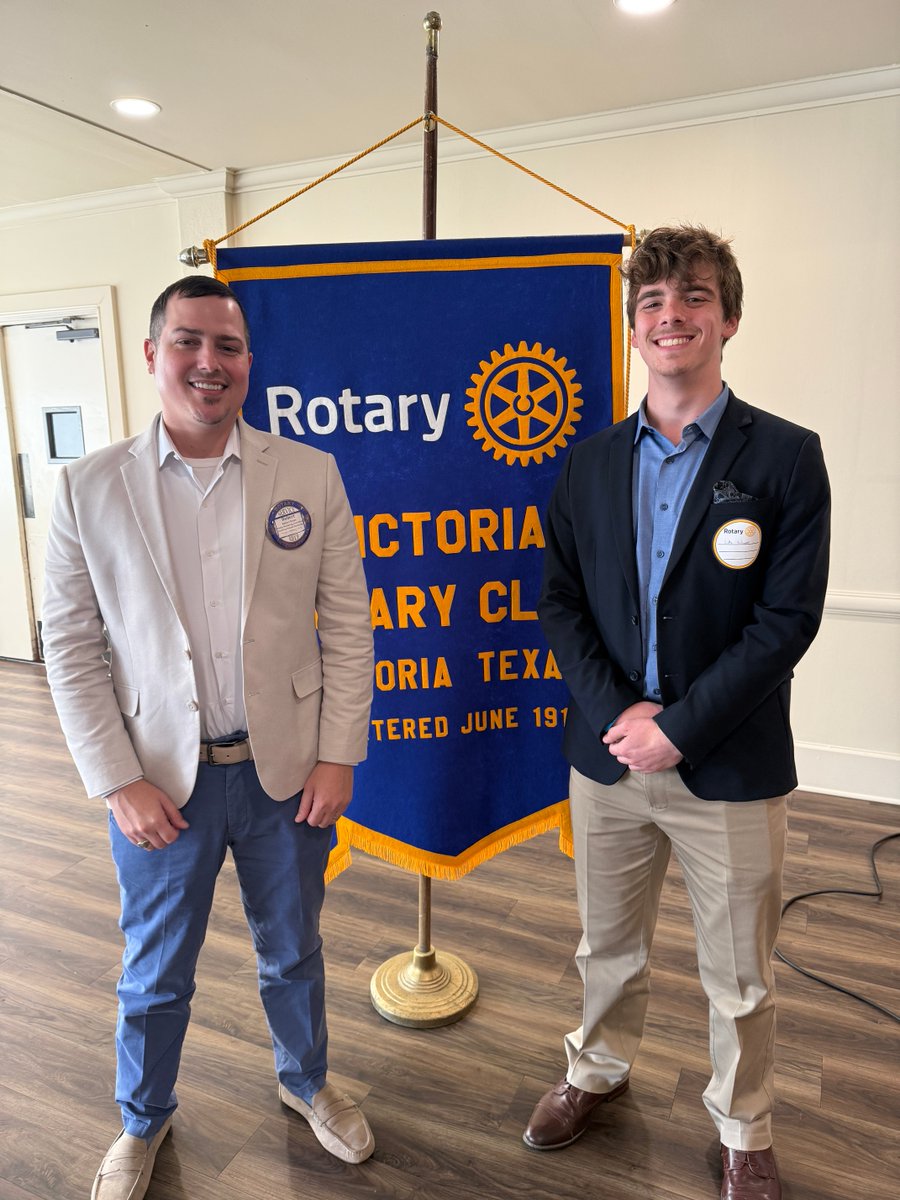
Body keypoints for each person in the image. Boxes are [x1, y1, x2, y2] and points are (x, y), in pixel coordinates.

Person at [42, 275, 376, 1200]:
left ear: (248, 364)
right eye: (188, 342)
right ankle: (141, 1121)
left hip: (285, 776)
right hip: (160, 785)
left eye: (227, 347)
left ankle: (306, 1081)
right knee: (154, 971)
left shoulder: (307, 473)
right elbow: (67, 648)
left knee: (295, 949)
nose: (208, 363)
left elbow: (348, 622)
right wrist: (116, 780)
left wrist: (339, 750)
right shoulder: (89, 486)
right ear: (152, 355)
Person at [526, 226, 830, 1200]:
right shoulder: (587, 464)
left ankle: (744, 1127)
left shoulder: (784, 458)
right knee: (603, 947)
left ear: (727, 319)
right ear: (633, 327)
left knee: (739, 974)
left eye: (693, 297)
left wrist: (680, 726)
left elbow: (785, 622)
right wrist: (623, 714)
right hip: (607, 759)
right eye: (652, 302)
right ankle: (594, 1072)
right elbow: (561, 602)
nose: (671, 315)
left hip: (727, 767)